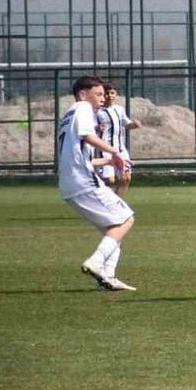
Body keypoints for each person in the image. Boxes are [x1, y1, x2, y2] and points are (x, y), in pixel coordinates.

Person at [59, 76, 137, 291]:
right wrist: (115, 152)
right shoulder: (83, 107)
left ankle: (108, 277)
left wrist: (108, 161)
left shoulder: (68, 116)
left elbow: (78, 156)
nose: (103, 98)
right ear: (83, 94)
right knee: (126, 219)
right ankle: (96, 262)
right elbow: (87, 135)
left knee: (112, 229)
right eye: (99, 94)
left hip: (70, 184)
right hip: (84, 181)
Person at [94, 83, 141, 198]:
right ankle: (103, 200)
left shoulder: (119, 109)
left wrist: (134, 125)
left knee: (126, 178)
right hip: (104, 150)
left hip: (120, 149)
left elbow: (126, 123)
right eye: (107, 93)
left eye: (112, 93)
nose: (110, 96)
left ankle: (116, 202)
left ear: (116, 94)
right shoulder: (97, 111)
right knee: (109, 180)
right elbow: (89, 128)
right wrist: (96, 128)